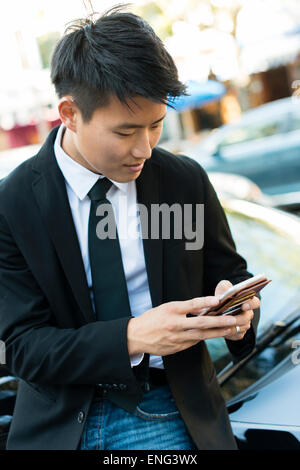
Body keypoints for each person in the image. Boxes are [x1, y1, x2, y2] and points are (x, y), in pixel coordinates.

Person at [0, 6, 260, 450]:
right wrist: (132, 337)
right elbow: (25, 347)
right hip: (59, 426)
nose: (145, 148)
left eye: (156, 125)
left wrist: (237, 312)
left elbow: (231, 276)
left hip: (171, 410)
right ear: (69, 113)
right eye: (125, 132)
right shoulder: (13, 203)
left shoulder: (183, 181)